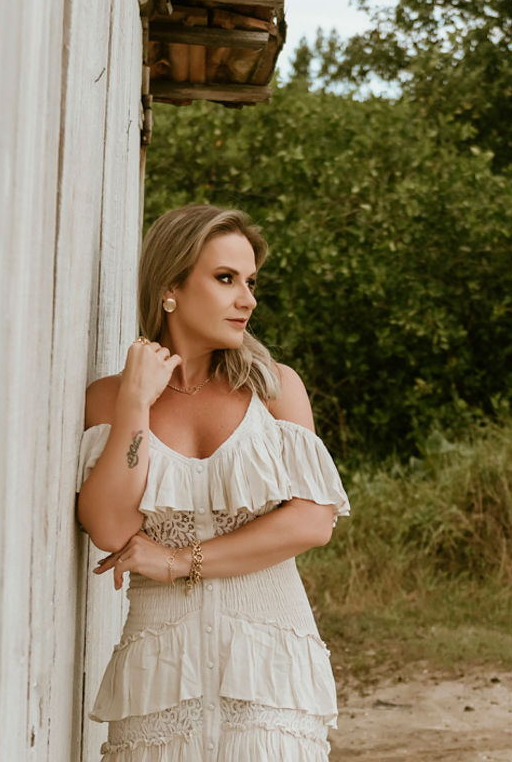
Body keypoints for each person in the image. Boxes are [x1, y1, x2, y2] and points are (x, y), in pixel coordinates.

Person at [76, 205, 350, 760]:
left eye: (250, 282)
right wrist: (136, 405)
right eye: (226, 279)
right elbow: (110, 527)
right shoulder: (110, 398)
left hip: (267, 671)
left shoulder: (274, 389)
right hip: (159, 678)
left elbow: (311, 522)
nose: (247, 299)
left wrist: (178, 561)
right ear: (170, 288)